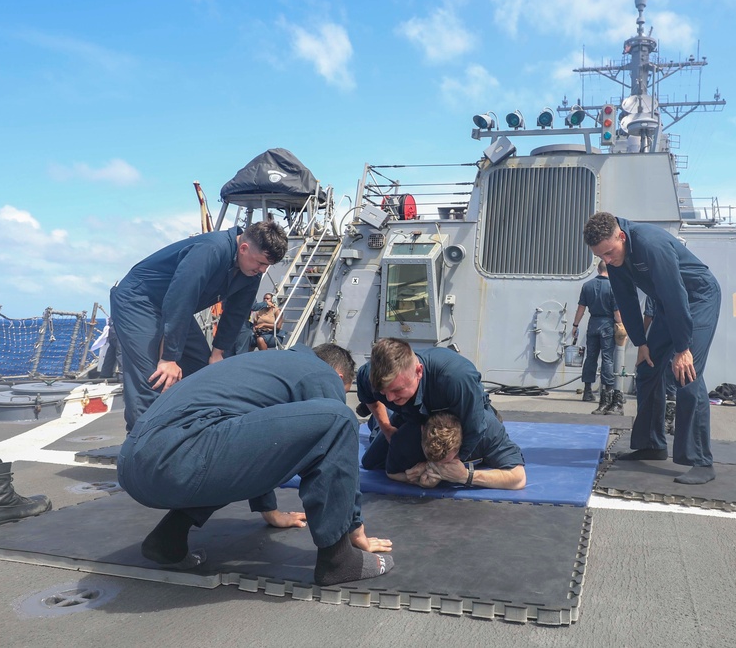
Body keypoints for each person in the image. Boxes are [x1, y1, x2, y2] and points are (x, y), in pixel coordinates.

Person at [116, 343, 395, 586]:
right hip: (180, 458)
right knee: (340, 419)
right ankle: (338, 560)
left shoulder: (268, 364)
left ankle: (167, 540)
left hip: (135, 465)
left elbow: (255, 442)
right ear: (339, 376)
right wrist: (355, 529)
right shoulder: (319, 373)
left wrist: (270, 512)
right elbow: (336, 444)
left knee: (216, 437)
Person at [583, 212, 721, 485]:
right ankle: (651, 444)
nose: (607, 261)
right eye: (601, 257)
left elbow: (676, 295)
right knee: (647, 369)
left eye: (609, 253)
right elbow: (626, 298)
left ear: (621, 235)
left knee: (687, 376)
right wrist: (641, 343)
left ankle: (701, 461)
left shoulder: (650, 244)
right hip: (667, 305)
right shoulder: (614, 256)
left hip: (698, 299)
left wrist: (682, 348)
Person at [109, 221, 288, 430]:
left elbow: (236, 314)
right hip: (139, 300)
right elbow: (180, 298)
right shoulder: (211, 250)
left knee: (202, 371)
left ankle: (189, 432)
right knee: (154, 378)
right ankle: (140, 448)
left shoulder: (251, 272)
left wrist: (217, 353)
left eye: (267, 266)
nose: (262, 270)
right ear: (244, 248)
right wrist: (168, 358)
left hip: (174, 308)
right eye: (260, 263)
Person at [357, 338, 526, 490]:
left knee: (478, 439)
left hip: (459, 409)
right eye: (384, 392)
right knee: (371, 461)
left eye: (397, 390)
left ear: (419, 371)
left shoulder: (456, 378)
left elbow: (475, 428)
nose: (390, 397)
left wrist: (451, 470)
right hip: (411, 413)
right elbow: (368, 395)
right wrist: (386, 428)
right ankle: (376, 424)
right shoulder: (369, 375)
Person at [571, 260, 625, 415]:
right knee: (607, 358)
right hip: (607, 324)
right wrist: (621, 326)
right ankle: (607, 392)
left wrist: (575, 326)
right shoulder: (613, 287)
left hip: (592, 323)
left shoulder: (587, 286)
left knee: (591, 357)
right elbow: (617, 313)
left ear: (597, 268)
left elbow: (581, 308)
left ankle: (587, 391)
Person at [643, 295, 678, 435]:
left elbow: (649, 315)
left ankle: (663, 418)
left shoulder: (652, 289)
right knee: (678, 374)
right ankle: (674, 418)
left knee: (660, 373)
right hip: (680, 332)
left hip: (661, 333)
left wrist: (642, 335)